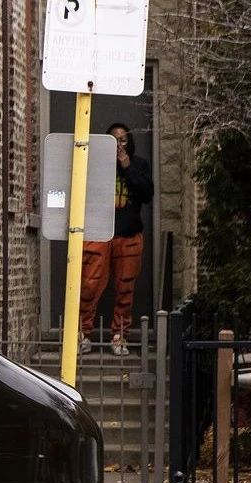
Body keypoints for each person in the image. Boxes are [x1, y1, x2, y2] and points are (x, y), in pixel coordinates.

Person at [79, 123, 153, 356]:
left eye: (122, 140)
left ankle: (119, 336)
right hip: (98, 232)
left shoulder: (139, 164)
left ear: (129, 142)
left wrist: (127, 167)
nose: (119, 145)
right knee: (89, 285)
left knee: (125, 289)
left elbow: (147, 194)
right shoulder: (97, 164)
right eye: (113, 140)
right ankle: (82, 335)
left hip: (128, 235)